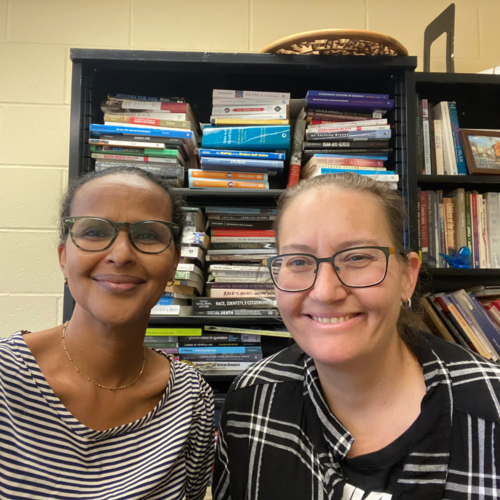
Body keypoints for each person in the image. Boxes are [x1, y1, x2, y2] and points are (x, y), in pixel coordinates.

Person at [213, 172, 500, 500]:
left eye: (357, 257)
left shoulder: (490, 407)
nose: (325, 292)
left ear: (407, 276)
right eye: (298, 261)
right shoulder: (251, 401)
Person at [1, 167, 214, 499]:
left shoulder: (191, 399)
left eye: (148, 235)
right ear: (63, 257)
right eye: (95, 232)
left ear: (173, 263)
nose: (121, 255)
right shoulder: (5, 378)